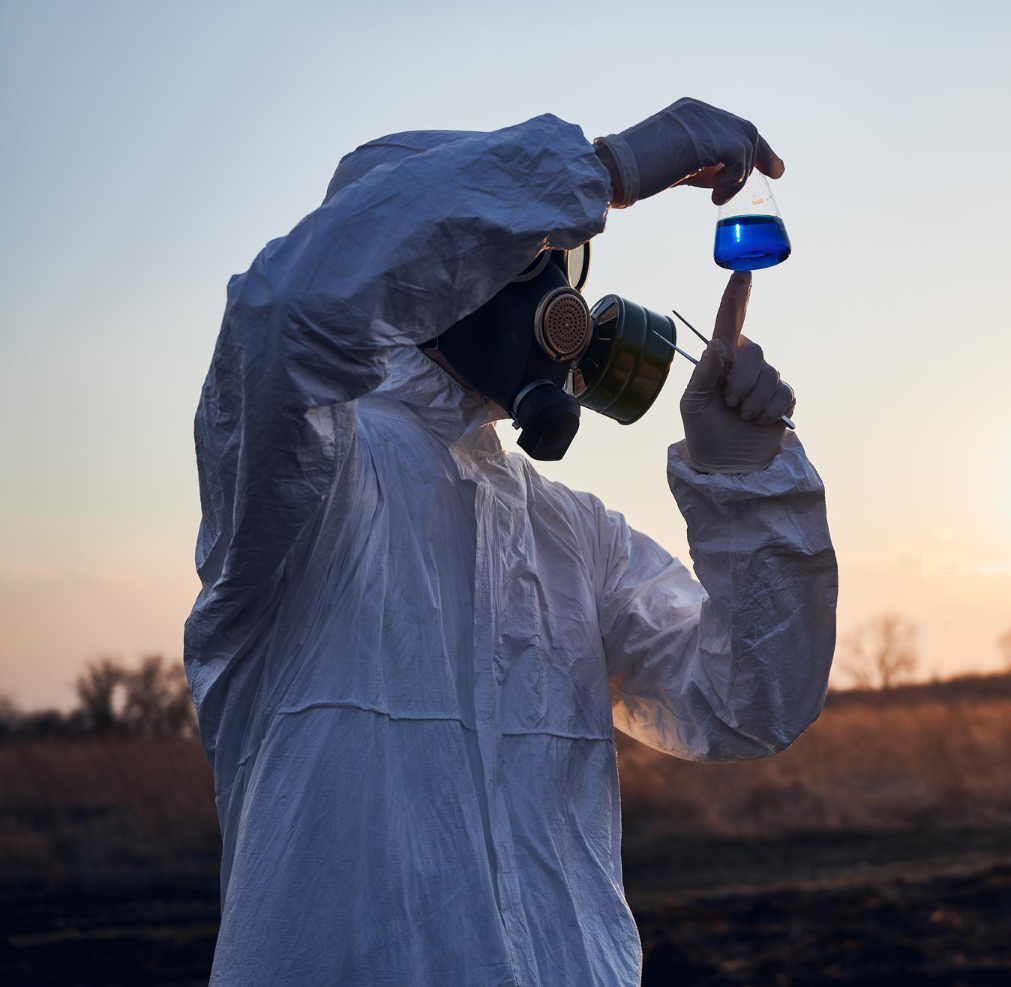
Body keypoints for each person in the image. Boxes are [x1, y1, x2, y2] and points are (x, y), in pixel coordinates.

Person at [184, 99, 837, 986]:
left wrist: (745, 480)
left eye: (551, 257)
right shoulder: (305, 478)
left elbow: (750, 701)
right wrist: (603, 170)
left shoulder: (573, 536)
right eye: (516, 253)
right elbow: (289, 315)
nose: (550, 291)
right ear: (422, 268)